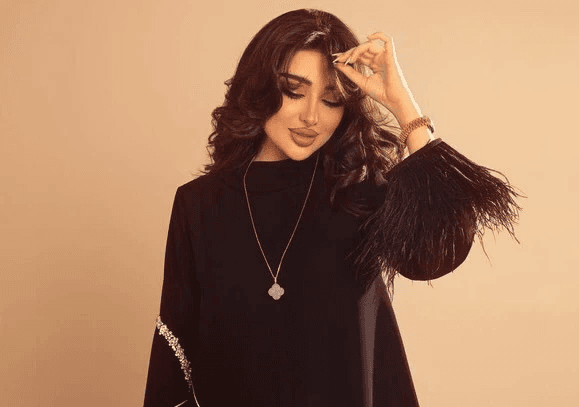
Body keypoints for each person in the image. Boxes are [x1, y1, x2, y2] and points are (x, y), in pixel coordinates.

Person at [143, 8, 521, 407]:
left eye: (332, 99)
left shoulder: (360, 195)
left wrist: (402, 105)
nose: (311, 117)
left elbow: (440, 252)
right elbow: (174, 352)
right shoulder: (199, 204)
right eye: (293, 91)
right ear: (258, 89)